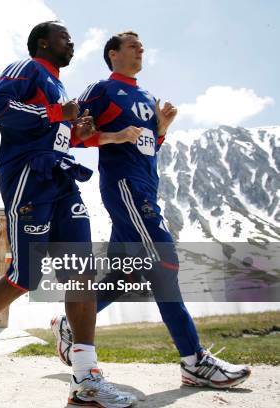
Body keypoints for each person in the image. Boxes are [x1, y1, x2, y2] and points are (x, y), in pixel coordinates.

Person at [0, 21, 139, 407]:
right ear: (43, 43)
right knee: (27, 276)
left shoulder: (59, 87)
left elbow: (57, 131)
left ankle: (86, 378)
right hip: (28, 178)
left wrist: (78, 131)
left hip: (63, 178)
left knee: (81, 273)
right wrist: (56, 113)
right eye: (64, 37)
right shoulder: (27, 68)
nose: (72, 42)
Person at [52, 31, 251, 389]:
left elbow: (148, 147)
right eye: (132, 44)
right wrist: (114, 136)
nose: (140, 48)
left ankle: (71, 322)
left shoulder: (147, 96)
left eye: (141, 45)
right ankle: (194, 360)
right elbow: (71, 134)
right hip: (125, 188)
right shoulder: (102, 90)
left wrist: (162, 127)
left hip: (145, 187)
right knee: (165, 264)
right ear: (113, 54)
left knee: (123, 276)